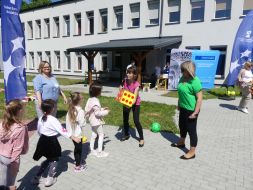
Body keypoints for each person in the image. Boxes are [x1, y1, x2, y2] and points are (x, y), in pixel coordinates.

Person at [31, 99, 80, 187]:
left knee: (48, 159)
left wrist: (42, 137)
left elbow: (38, 130)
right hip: (51, 142)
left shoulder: (41, 118)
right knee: (54, 159)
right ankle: (49, 179)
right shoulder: (53, 119)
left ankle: (36, 177)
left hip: (42, 140)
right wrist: (73, 137)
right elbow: (62, 130)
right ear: (52, 109)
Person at [171, 61, 202, 160]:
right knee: (182, 126)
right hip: (183, 107)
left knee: (191, 131)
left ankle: (192, 152)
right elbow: (180, 93)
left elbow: (200, 99)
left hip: (191, 110)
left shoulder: (195, 81)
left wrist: (195, 112)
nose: (181, 72)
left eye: (183, 70)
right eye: (181, 70)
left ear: (189, 70)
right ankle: (181, 142)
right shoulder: (182, 78)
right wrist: (179, 104)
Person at [0, 100, 29, 190]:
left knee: (3, 180)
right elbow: (17, 150)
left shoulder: (2, 123)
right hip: (11, 159)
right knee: (10, 184)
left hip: (1, 156)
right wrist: (15, 168)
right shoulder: (20, 128)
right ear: (19, 111)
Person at [120, 66, 144, 147]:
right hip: (126, 101)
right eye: (128, 72)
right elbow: (121, 92)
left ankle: (141, 138)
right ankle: (126, 134)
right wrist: (120, 89)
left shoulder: (136, 85)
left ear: (134, 75)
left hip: (135, 103)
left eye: (130, 73)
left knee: (136, 121)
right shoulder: (124, 81)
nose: (128, 74)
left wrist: (128, 105)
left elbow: (134, 98)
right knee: (125, 119)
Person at [85, 82, 110, 158]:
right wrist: (106, 112)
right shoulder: (96, 101)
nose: (101, 92)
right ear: (97, 92)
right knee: (101, 135)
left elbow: (94, 110)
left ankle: (92, 150)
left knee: (94, 135)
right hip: (96, 122)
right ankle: (99, 152)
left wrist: (102, 108)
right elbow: (97, 113)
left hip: (92, 121)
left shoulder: (90, 99)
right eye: (100, 91)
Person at [66, 92, 87, 172]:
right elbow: (82, 124)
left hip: (72, 134)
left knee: (76, 149)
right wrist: (85, 117)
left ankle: (77, 161)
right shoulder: (80, 111)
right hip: (78, 135)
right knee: (79, 151)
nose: (83, 99)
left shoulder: (71, 109)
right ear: (79, 101)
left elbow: (68, 122)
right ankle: (78, 166)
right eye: (82, 98)